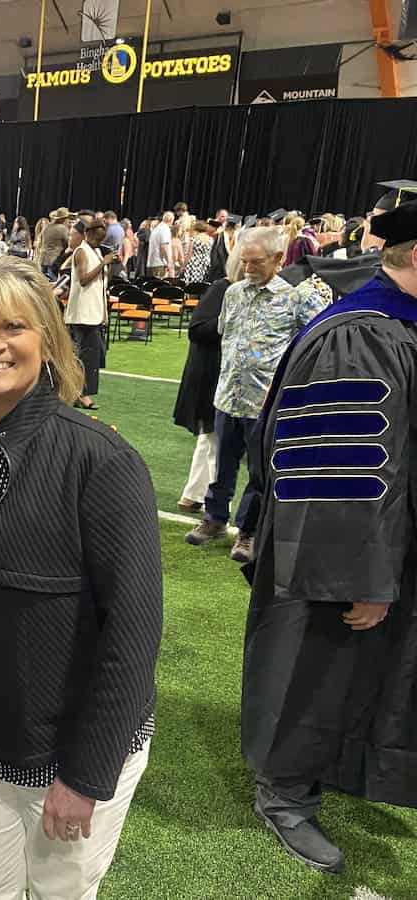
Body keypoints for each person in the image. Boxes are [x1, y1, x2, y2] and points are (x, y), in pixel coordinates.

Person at [0, 254, 161, 900]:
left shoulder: (100, 460)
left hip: (66, 755)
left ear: (48, 342)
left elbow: (133, 636)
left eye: (14, 327)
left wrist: (86, 775)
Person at [242, 199, 417, 874]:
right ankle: (285, 792)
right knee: (315, 667)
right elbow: (344, 468)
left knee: (359, 673)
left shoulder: (394, 324)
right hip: (338, 549)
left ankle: (339, 766)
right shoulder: (361, 336)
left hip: (389, 542)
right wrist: (364, 576)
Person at [184, 227, 330, 562]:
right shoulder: (233, 292)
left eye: (256, 262)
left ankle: (247, 531)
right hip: (227, 397)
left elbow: (317, 343)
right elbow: (225, 334)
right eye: (244, 260)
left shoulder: (296, 298)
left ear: (278, 258)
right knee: (222, 465)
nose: (247, 268)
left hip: (264, 403)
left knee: (259, 472)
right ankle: (214, 518)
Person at [174, 244, 241, 513]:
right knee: (216, 436)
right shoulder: (222, 288)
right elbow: (197, 328)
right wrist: (230, 321)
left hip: (221, 371)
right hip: (210, 372)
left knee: (212, 437)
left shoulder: (233, 290)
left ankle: (193, 495)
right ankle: (205, 498)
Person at [66, 220, 114, 411]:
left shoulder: (96, 252)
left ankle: (78, 393)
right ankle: (81, 395)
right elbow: (84, 279)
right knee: (84, 357)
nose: (98, 241)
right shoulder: (81, 252)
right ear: (88, 234)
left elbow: (102, 281)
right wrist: (103, 263)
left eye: (101, 239)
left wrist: (109, 265)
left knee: (92, 356)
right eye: (96, 238)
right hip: (82, 314)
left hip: (94, 313)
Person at [39, 208, 70, 279]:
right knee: (54, 281)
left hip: (43, 258)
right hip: (54, 260)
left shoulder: (46, 227)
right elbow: (68, 243)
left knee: (43, 279)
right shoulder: (62, 228)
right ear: (63, 219)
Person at [207, 214, 240, 282]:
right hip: (230, 267)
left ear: (227, 223)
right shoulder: (238, 236)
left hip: (220, 268)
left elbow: (214, 252)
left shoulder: (221, 235)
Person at [181, 218, 214, 283]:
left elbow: (189, 254)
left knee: (192, 284)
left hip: (195, 263)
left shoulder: (194, 239)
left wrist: (184, 266)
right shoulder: (211, 239)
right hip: (206, 262)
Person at [147, 210, 174, 278]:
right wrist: (169, 262)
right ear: (171, 220)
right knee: (161, 284)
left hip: (152, 263)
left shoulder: (157, 228)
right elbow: (164, 246)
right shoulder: (165, 229)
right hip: (159, 264)